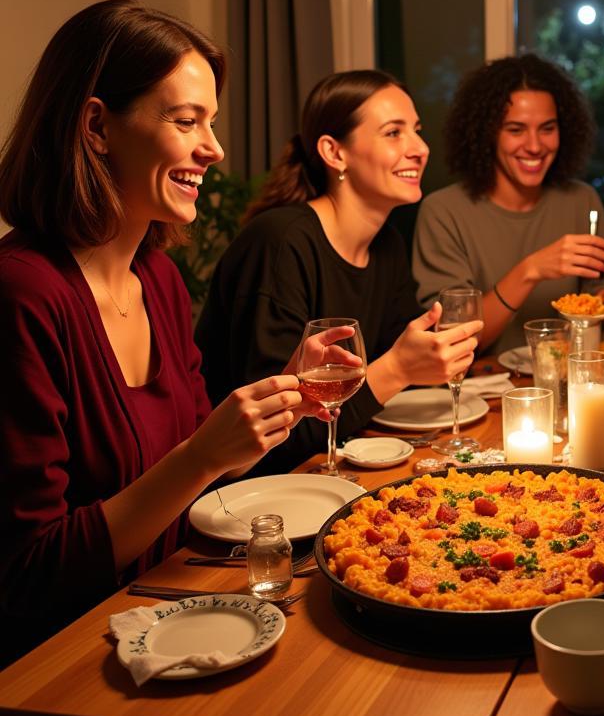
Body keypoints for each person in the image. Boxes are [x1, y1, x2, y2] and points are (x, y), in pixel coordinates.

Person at [0, 0, 331, 671]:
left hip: (174, 614)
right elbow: (27, 574)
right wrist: (202, 457)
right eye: (187, 121)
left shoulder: (159, 278)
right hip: (62, 670)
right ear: (96, 126)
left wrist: (276, 402)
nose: (214, 149)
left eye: (210, 121)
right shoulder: (23, 294)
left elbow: (193, 484)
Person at [196, 70, 481, 474]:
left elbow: (390, 385)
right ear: (334, 153)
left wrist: (427, 357)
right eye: (393, 133)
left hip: (339, 465)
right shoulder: (279, 244)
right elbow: (271, 436)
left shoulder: (387, 245)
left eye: (415, 131)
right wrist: (399, 367)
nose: (420, 148)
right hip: (251, 495)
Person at [412, 54, 604, 355]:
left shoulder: (582, 201)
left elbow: (598, 304)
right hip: (479, 394)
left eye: (548, 128)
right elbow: (455, 341)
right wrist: (530, 270)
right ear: (488, 134)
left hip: (565, 387)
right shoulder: (443, 212)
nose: (535, 145)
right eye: (516, 130)